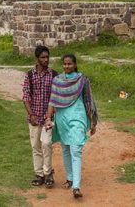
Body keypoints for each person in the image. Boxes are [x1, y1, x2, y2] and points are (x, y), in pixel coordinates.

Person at [46, 53, 98, 199]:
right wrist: (48, 118)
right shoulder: (57, 80)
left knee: (76, 150)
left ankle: (76, 186)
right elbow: (52, 100)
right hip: (62, 118)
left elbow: (88, 101)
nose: (67, 66)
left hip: (78, 118)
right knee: (66, 149)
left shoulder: (82, 80)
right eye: (65, 64)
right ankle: (69, 178)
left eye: (69, 64)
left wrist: (92, 121)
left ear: (75, 65)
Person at [22, 44, 57, 188]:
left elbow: (56, 97)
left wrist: (50, 115)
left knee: (47, 144)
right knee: (36, 146)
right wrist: (31, 114)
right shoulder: (30, 75)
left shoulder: (54, 75)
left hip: (48, 118)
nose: (46, 60)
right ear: (37, 59)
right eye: (43, 57)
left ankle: (48, 173)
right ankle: (39, 174)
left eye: (47, 57)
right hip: (34, 118)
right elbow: (26, 97)